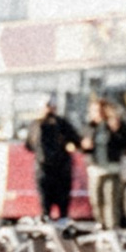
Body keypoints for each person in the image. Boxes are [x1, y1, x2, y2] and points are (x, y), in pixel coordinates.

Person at [87, 92, 126, 230]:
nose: (99, 113)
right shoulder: (91, 127)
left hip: (113, 168)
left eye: (101, 110)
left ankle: (113, 227)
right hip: (96, 169)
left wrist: (118, 129)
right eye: (96, 111)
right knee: (96, 200)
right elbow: (83, 145)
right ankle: (100, 224)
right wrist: (85, 145)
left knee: (111, 200)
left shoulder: (114, 124)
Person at [35, 96, 80, 224]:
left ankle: (59, 220)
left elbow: (75, 140)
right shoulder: (38, 125)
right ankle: (49, 220)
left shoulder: (60, 124)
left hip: (59, 169)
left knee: (60, 201)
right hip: (46, 169)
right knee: (47, 203)